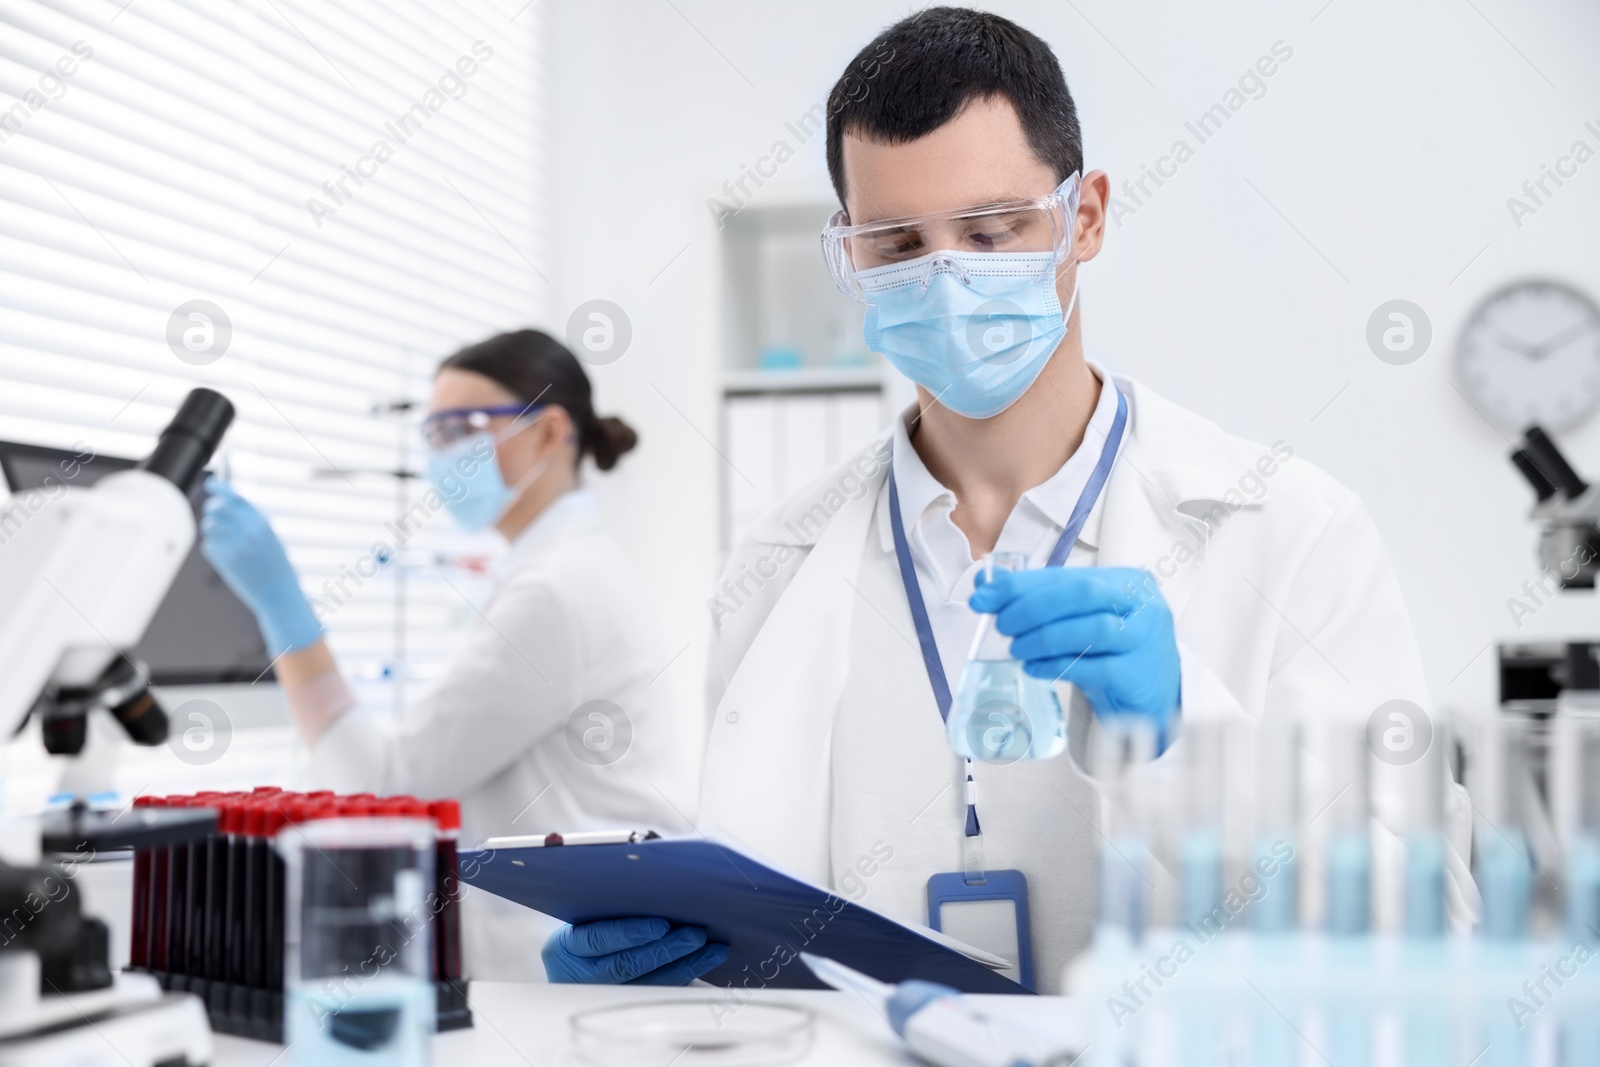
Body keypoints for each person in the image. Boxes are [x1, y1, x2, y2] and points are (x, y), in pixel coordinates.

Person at [541, 8, 1473, 991]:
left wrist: (1186, 734)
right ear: (845, 252)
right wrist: (661, 974)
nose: (946, 279)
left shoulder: (1287, 530)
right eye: (897, 246)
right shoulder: (777, 564)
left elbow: (1435, 931)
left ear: (1087, 217)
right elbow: (769, 941)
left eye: (991, 231)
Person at [201, 328, 702, 983]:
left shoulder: (553, 590)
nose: (442, 454)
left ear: (551, 434)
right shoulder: (555, 570)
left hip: (570, 962)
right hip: (576, 948)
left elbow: (380, 785)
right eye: (432, 434)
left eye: (462, 428)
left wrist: (282, 611)